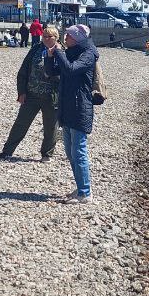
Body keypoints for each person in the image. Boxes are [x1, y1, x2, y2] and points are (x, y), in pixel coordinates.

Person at [45, 24, 99, 204]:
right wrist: (50, 56)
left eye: (68, 35)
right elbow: (52, 72)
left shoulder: (88, 54)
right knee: (70, 152)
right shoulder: (71, 51)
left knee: (79, 151)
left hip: (80, 108)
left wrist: (59, 52)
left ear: (77, 38)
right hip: (67, 107)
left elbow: (71, 69)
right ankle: (81, 187)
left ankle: (85, 192)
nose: (64, 38)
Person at [0, 25, 60, 161]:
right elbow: (23, 71)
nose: (46, 38)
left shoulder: (62, 52)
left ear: (56, 38)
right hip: (32, 95)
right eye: (44, 36)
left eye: (50, 36)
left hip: (52, 97)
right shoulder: (35, 50)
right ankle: (7, 151)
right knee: (21, 124)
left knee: (50, 127)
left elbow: (66, 74)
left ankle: (47, 154)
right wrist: (21, 92)